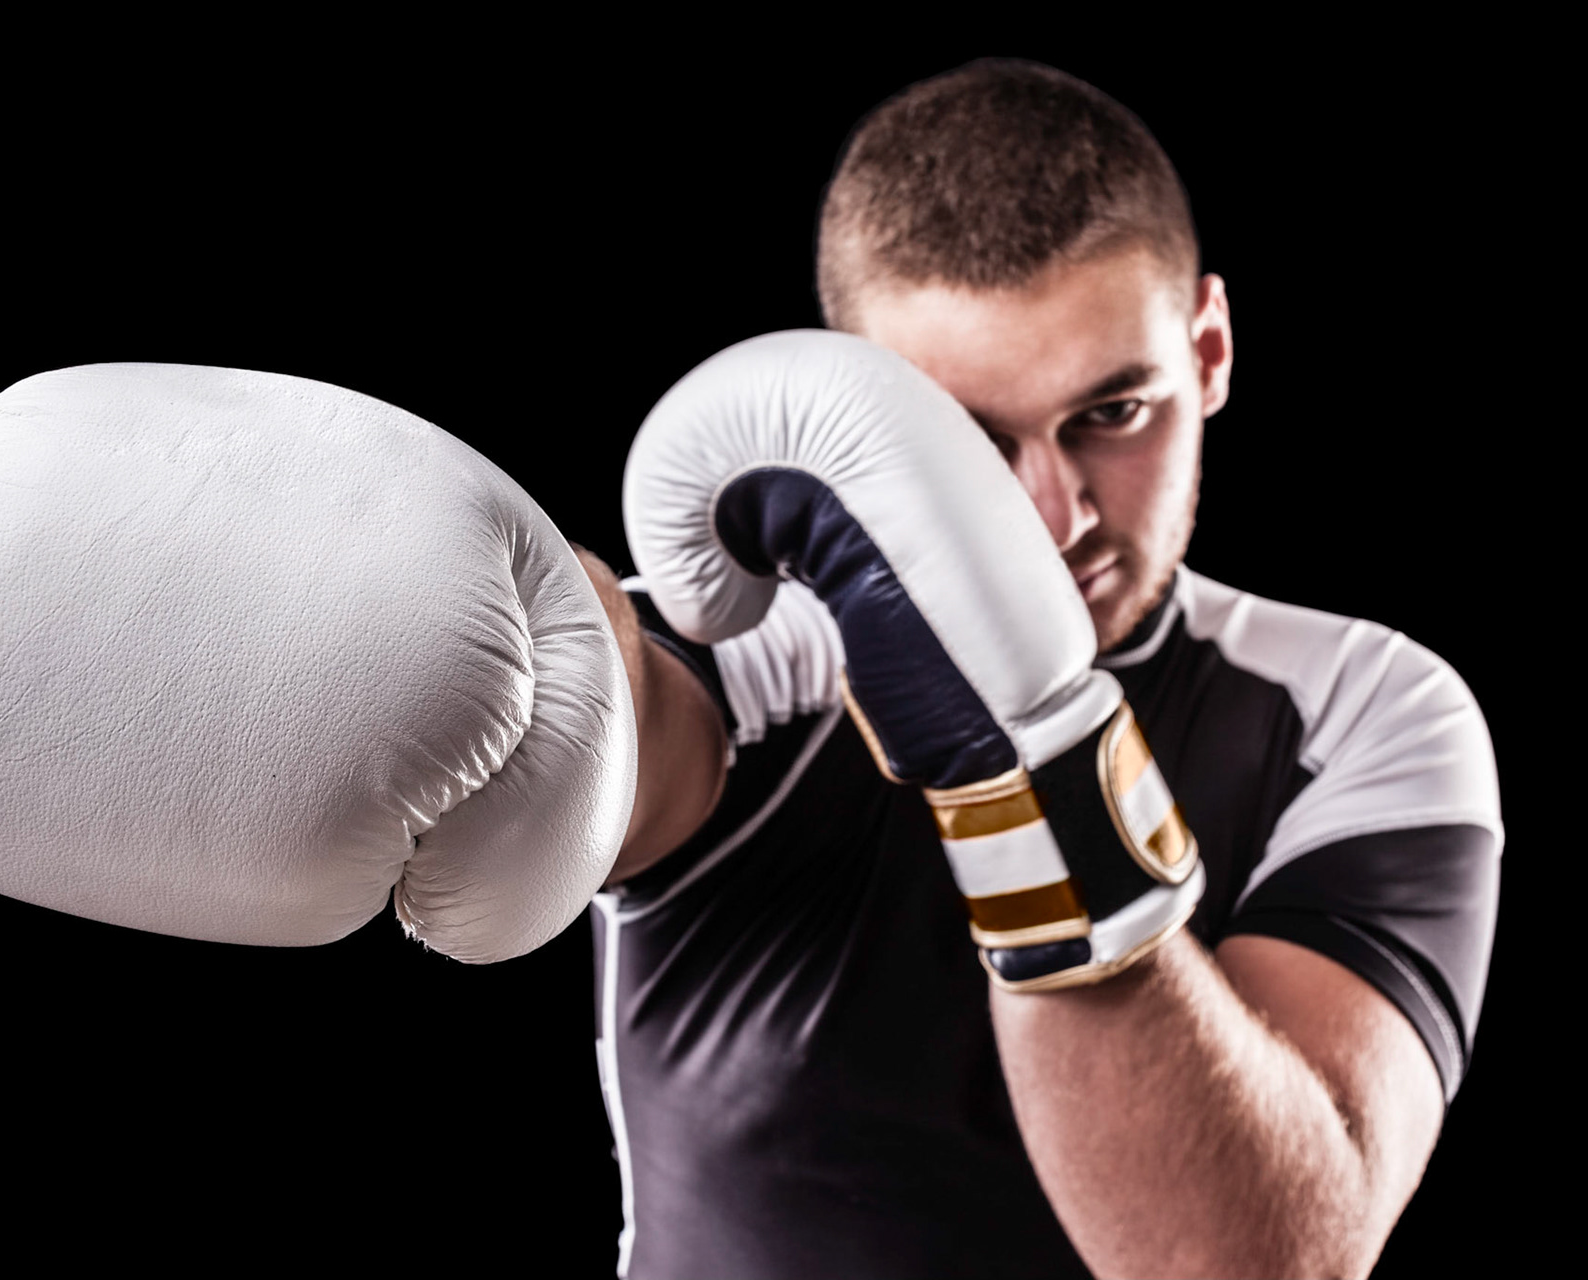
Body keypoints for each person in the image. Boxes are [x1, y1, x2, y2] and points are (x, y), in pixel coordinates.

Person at [575, 59, 1502, 1278]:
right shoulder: (756, 654)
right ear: (844, 408)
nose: (1057, 516)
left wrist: (1017, 758)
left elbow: (1253, 1260)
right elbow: (590, 715)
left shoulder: (1362, 710)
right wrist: (492, 628)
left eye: (1112, 413)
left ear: (1209, 349)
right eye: (967, 439)